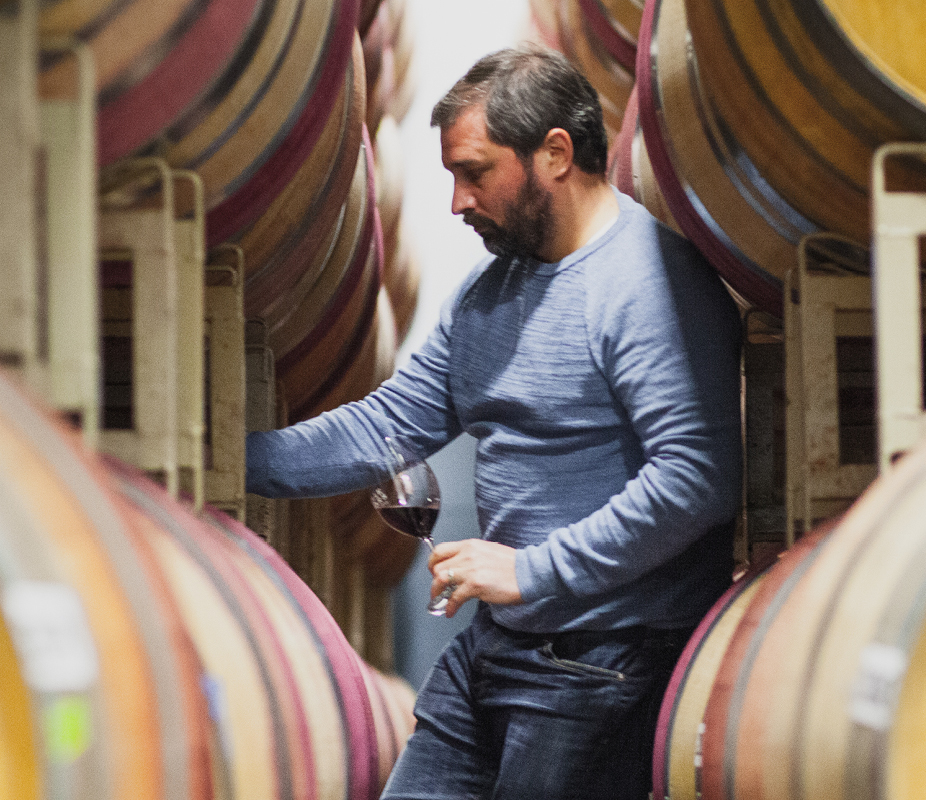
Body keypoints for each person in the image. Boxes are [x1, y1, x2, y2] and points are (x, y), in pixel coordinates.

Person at [246, 44, 742, 800]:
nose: (457, 202)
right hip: (499, 644)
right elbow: (385, 430)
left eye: (474, 173)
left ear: (554, 154)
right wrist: (227, 461)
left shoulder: (647, 284)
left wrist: (530, 570)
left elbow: (697, 477)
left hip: (602, 660)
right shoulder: (489, 296)